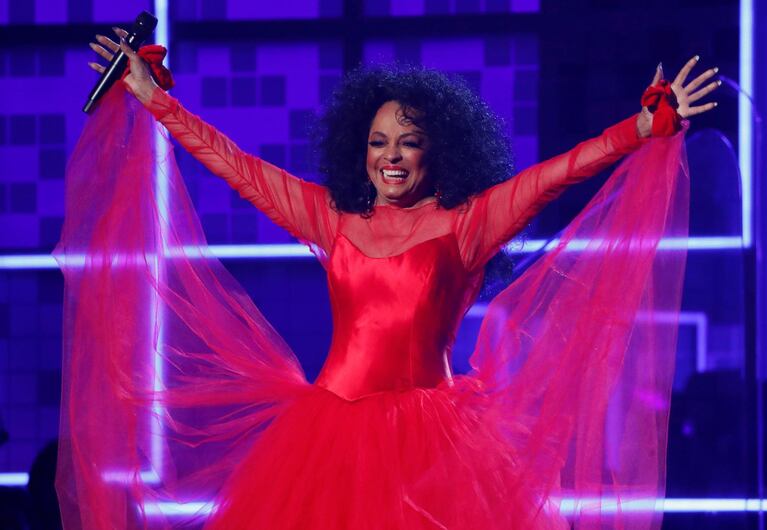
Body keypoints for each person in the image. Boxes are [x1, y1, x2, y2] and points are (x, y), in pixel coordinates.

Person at [56, 26, 717, 530]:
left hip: (438, 450)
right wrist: (153, 102)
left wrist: (639, 127)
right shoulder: (331, 217)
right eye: (377, 142)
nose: (391, 157)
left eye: (408, 142)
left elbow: (561, 172)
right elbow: (234, 164)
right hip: (325, 439)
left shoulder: (468, 223)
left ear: (440, 151)